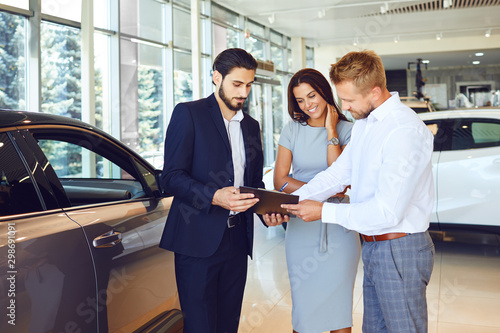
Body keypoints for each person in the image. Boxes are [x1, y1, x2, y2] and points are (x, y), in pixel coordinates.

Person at [278, 50, 435, 333]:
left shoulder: (403, 130)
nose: (345, 108)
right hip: (374, 245)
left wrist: (323, 210)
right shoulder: (366, 124)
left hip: (400, 248)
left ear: (374, 92)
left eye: (349, 100)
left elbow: (387, 211)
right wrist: (291, 202)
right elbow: (338, 174)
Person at [159, 48, 271, 333]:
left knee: (227, 324)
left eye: (249, 85)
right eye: (237, 84)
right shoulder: (189, 114)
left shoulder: (251, 127)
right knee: (200, 326)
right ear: (216, 78)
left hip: (237, 239)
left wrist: (267, 211)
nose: (243, 92)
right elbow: (170, 177)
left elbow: (254, 184)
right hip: (197, 240)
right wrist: (213, 195)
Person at [273, 68, 360, 333]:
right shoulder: (292, 131)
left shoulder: (349, 131)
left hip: (339, 230)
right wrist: (323, 190)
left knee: (339, 312)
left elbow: (341, 180)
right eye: (300, 100)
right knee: (304, 311)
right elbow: (280, 181)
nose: (308, 104)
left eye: (312, 96)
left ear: (324, 92)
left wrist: (331, 129)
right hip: (301, 228)